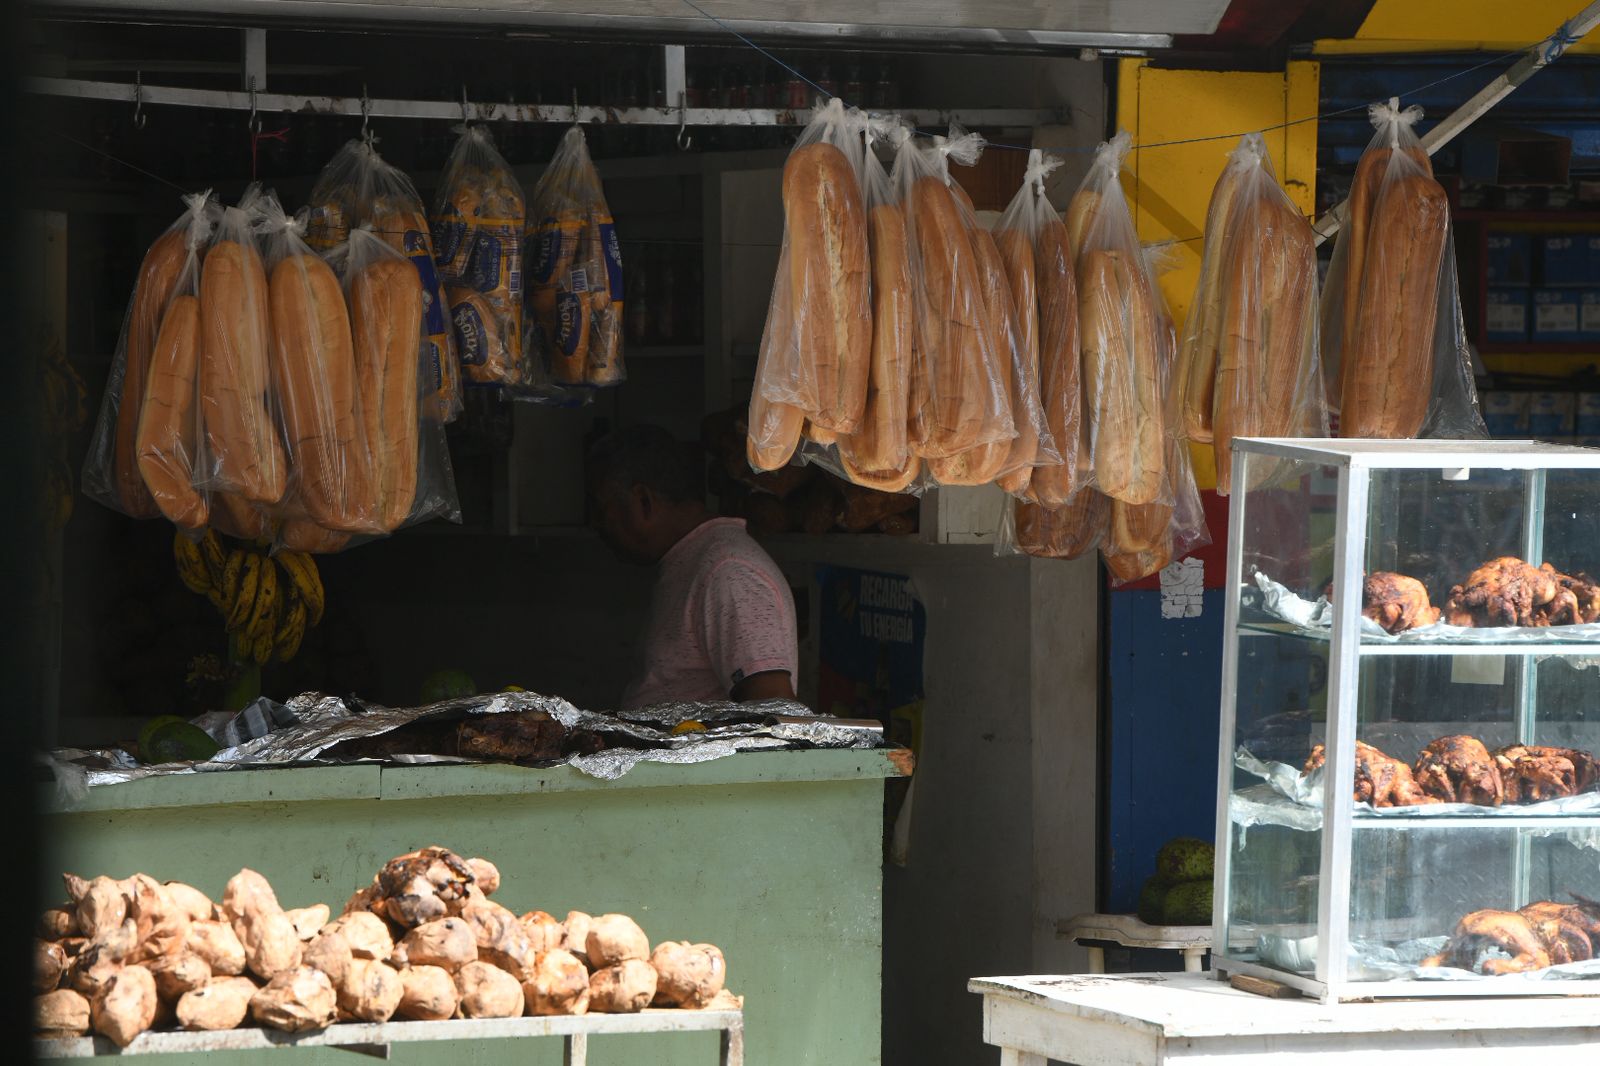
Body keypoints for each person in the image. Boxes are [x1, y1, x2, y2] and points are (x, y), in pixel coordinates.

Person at [588, 424, 798, 710]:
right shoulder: (695, 560)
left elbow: (774, 710)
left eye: (604, 511)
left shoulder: (728, 571)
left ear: (644, 502)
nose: (599, 526)